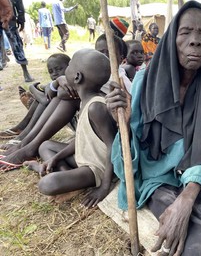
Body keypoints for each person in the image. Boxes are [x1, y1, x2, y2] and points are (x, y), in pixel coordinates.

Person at [106, 1, 201, 255]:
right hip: (160, 178)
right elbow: (129, 164)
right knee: (199, 246)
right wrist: (125, 124)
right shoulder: (144, 79)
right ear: (172, 38)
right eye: (185, 32)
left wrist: (187, 198)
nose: (194, 41)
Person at [0, 30, 128, 170]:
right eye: (99, 52)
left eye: (107, 52)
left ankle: (28, 145)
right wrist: (58, 81)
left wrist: (58, 82)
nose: (102, 57)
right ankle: (25, 143)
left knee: (66, 97)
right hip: (86, 120)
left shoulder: (114, 77)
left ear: (121, 58)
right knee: (58, 96)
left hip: (100, 127)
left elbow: (61, 93)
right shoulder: (103, 73)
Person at [24, 49, 117, 208]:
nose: (66, 68)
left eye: (71, 64)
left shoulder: (96, 107)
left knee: (46, 185)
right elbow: (83, 137)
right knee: (45, 146)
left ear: (77, 77)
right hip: (83, 157)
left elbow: (113, 146)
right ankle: (66, 174)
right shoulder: (84, 101)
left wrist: (104, 187)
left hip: (95, 168)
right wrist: (57, 157)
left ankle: (66, 178)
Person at [0, 53, 70, 143]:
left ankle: (25, 132)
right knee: (42, 96)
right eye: (51, 72)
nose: (55, 74)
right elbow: (45, 88)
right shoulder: (60, 82)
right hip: (60, 111)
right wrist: (38, 89)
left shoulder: (70, 83)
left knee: (43, 99)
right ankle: (22, 128)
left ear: (71, 66)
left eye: (59, 69)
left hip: (71, 117)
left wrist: (32, 88)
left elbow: (45, 101)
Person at [0, 0, 34, 82]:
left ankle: (26, 73)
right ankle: (26, 73)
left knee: (16, 44)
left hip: (9, 16)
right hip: (9, 16)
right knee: (16, 44)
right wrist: (21, 17)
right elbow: (18, 1)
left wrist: (21, 17)